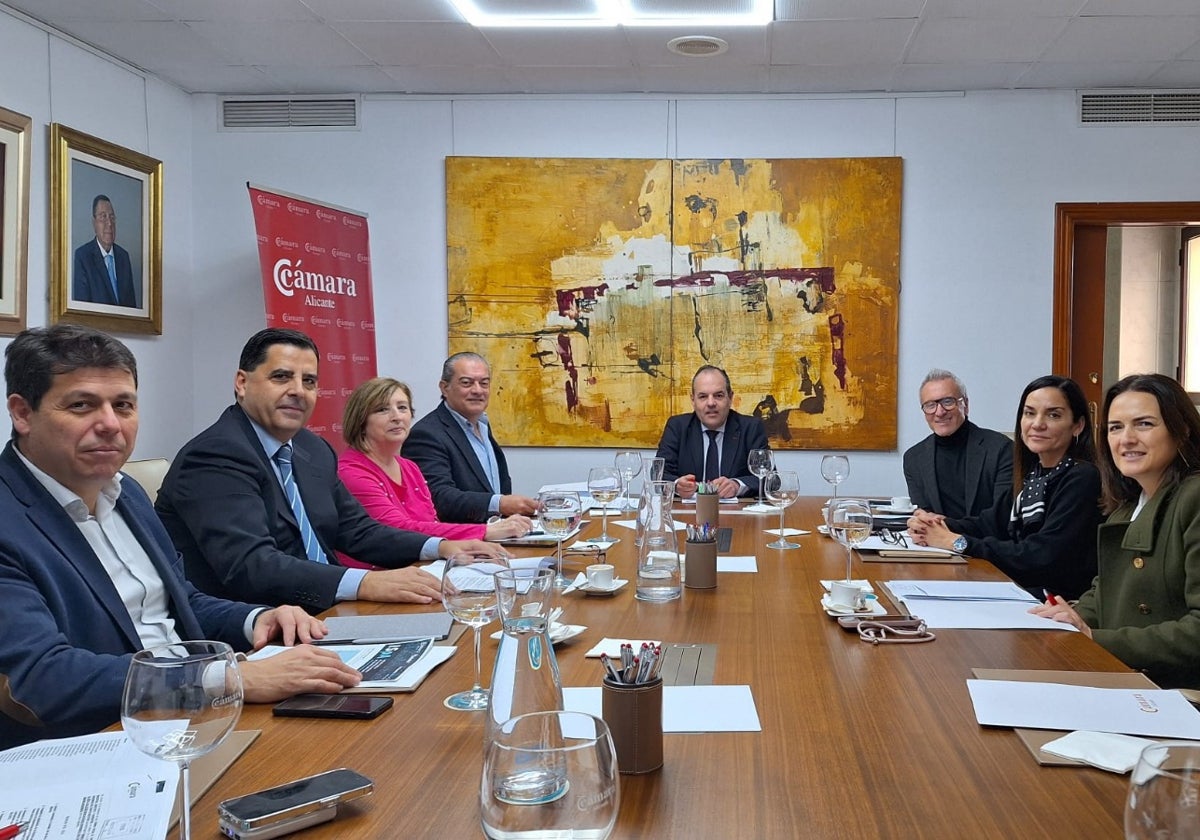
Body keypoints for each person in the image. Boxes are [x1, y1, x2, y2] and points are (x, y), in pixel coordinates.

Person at [0, 325, 362, 749]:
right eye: (82, 406)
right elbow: (44, 677)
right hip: (101, 740)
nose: (110, 425)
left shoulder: (126, 492)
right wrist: (225, 677)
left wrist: (257, 619)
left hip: (199, 716)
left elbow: (180, 601)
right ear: (22, 413)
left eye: (124, 405)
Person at [155, 329, 504, 612]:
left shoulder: (311, 448)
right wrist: (366, 583)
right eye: (281, 377)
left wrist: (441, 546)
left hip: (327, 610)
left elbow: (358, 531)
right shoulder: (215, 455)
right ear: (242, 383)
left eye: (309, 381)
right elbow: (252, 566)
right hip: (263, 631)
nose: (297, 391)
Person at [1031, 374, 1200, 688]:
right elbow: (1104, 592)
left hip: (1177, 695)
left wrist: (1095, 638)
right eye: (1115, 427)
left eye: (1144, 424)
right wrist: (1068, 618)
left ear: (1182, 430)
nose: (1126, 439)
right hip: (1124, 677)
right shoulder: (1126, 505)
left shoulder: (1194, 498)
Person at [909, 375, 1101, 601]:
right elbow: (990, 523)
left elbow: (1039, 555)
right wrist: (933, 524)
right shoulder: (1034, 475)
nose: (1037, 423)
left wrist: (956, 542)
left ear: (1077, 425)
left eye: (1053, 415)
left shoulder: (1081, 477)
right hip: (1018, 590)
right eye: (1029, 413)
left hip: (1057, 604)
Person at [337, 377, 534, 563]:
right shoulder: (352, 472)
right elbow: (396, 529)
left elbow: (431, 521)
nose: (396, 417)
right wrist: (485, 531)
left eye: (402, 408)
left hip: (422, 564)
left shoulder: (408, 466)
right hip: (379, 576)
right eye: (382, 410)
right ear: (360, 420)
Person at [404, 352, 538, 523]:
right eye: (466, 383)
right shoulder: (426, 435)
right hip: (459, 544)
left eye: (484, 383)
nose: (477, 390)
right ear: (444, 388)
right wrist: (500, 503)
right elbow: (438, 498)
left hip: (496, 536)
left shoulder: (482, 423)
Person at [902, 369, 1013, 518]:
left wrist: (952, 536)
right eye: (930, 405)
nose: (939, 412)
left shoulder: (1002, 449)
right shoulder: (913, 458)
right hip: (934, 541)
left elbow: (1001, 518)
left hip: (985, 540)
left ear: (965, 405)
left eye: (948, 402)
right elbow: (925, 516)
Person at [655, 365, 770, 499]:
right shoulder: (677, 427)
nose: (711, 403)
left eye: (718, 395)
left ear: (730, 397)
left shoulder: (751, 428)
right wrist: (676, 485)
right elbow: (658, 473)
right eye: (703, 396)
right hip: (688, 514)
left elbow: (770, 478)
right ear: (693, 400)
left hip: (736, 514)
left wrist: (737, 485)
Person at [72, 194, 138, 307]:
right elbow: (82, 310)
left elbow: (131, 307)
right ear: (94, 223)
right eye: (103, 217)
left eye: (112, 217)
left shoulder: (123, 256)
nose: (109, 223)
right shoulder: (83, 256)